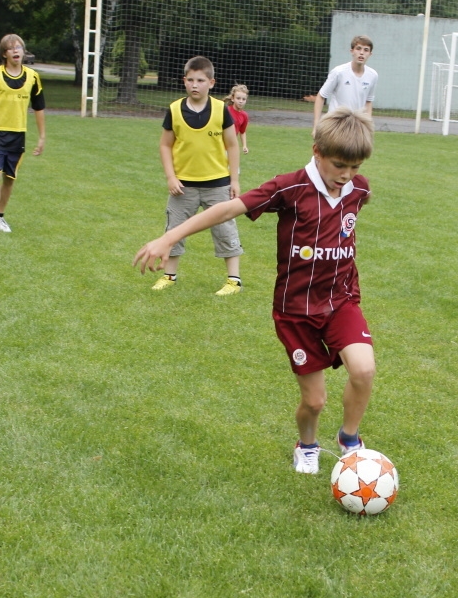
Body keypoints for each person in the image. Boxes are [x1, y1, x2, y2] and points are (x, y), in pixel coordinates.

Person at [135, 108, 376, 474]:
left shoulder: (358, 189)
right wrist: (170, 236)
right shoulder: (290, 187)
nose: (346, 175)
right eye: (339, 164)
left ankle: (349, 440)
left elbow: (350, 212)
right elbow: (226, 209)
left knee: (364, 371)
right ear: (316, 151)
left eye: (354, 167)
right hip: (296, 311)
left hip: (341, 301)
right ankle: (307, 444)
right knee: (314, 402)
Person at [151, 55, 243, 296]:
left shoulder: (222, 110)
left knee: (225, 230)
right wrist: (171, 177)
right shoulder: (174, 109)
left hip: (218, 184)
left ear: (211, 83)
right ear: (184, 81)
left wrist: (234, 180)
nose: (195, 85)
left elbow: (232, 145)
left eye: (200, 80)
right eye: (190, 79)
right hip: (183, 186)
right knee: (174, 229)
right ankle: (169, 276)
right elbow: (165, 145)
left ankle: (234, 281)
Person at [0, 33, 47, 237]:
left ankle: (1, 215)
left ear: (23, 51)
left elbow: (39, 108)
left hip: (18, 135)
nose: (15, 51)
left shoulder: (32, 77)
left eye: (19, 47)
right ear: (4, 53)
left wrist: (41, 137)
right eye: (11, 48)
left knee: (9, 178)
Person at [312, 35, 377, 137]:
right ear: (352, 51)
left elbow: (368, 102)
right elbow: (321, 96)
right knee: (328, 153)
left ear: (370, 54)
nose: (361, 53)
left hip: (356, 127)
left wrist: (367, 127)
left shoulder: (373, 75)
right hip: (335, 124)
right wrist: (316, 126)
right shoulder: (339, 72)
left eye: (366, 50)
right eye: (358, 48)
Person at [227, 84, 250, 155]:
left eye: (243, 99)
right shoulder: (226, 111)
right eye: (238, 98)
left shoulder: (244, 115)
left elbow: (242, 132)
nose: (241, 101)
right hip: (221, 145)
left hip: (232, 146)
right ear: (232, 98)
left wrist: (244, 146)